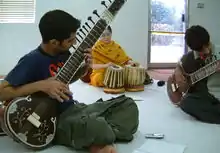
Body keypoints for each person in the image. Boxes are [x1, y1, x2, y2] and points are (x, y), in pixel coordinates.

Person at [0, 10, 139, 153]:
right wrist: (42, 85)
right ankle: (92, 134)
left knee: (128, 106)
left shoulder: (64, 54)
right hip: (54, 119)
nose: (75, 43)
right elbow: (2, 92)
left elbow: (72, 79)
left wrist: (86, 67)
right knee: (96, 126)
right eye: (70, 40)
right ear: (54, 42)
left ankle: (92, 135)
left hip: (73, 108)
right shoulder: (31, 60)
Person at [173, 25, 220, 124]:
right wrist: (177, 71)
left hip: (217, 94)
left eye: (207, 45)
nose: (207, 51)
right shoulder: (190, 57)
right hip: (205, 96)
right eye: (201, 50)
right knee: (186, 102)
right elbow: (180, 63)